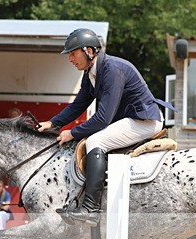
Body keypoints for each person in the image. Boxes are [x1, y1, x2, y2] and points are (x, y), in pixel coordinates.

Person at [37, 28, 175, 226]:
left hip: (144, 121)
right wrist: (53, 122)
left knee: (95, 140)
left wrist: (73, 132)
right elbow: (79, 105)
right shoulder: (90, 73)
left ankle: (91, 209)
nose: (70, 59)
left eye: (73, 53)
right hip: (129, 119)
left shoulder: (111, 69)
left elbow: (102, 119)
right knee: (91, 138)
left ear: (89, 51)